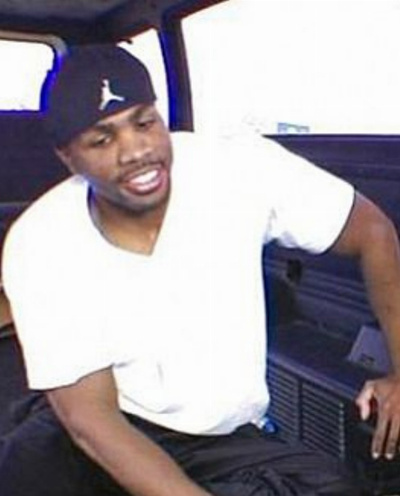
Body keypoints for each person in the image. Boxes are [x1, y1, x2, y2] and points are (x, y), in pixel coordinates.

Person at [1, 44, 400, 496]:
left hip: (222, 440)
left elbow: (373, 231)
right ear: (68, 157)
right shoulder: (41, 243)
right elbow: (92, 420)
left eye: (144, 123)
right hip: (107, 422)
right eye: (102, 140)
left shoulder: (237, 168)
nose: (136, 151)